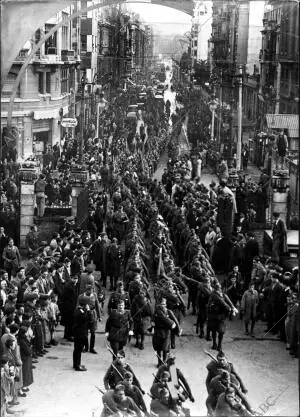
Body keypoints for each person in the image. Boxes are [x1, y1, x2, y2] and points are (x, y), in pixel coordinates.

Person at [152, 298, 179, 367]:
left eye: (164, 304)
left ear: (166, 305)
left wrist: (177, 330)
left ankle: (164, 362)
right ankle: (159, 362)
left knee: (165, 349)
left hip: (166, 333)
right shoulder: (156, 312)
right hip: (158, 332)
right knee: (158, 349)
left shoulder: (169, 312)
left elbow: (175, 321)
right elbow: (153, 321)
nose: (162, 306)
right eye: (161, 304)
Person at [72, 295, 90, 371]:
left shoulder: (79, 310)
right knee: (79, 350)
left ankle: (75, 364)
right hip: (80, 333)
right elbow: (86, 318)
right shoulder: (80, 311)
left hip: (78, 333)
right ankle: (77, 366)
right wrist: (88, 311)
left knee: (76, 349)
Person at [82, 284, 101, 354]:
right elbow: (79, 306)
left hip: (93, 315)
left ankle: (92, 348)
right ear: (86, 290)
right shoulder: (82, 296)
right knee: (85, 333)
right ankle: (86, 347)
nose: (91, 291)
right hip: (85, 315)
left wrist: (99, 316)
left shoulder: (94, 295)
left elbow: (97, 305)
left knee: (93, 333)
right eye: (89, 290)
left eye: (92, 290)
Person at [60, 274, 79, 342]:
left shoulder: (71, 285)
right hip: (69, 307)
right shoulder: (70, 287)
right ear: (72, 278)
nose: (76, 280)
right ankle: (69, 336)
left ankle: (66, 335)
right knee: (70, 322)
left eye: (76, 279)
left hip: (69, 306)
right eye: (74, 279)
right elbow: (72, 297)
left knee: (68, 322)